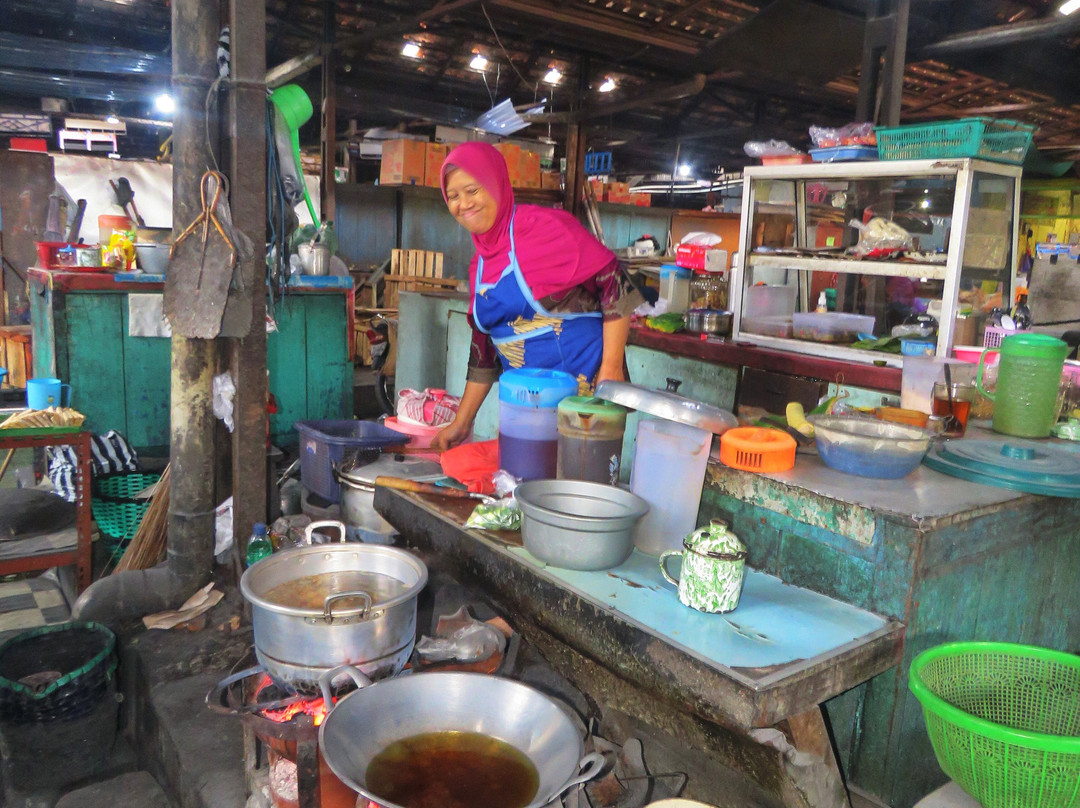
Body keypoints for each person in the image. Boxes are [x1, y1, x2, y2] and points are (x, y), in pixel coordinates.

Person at [430, 142, 642, 451]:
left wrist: (611, 370)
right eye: (453, 196)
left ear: (495, 184)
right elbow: (484, 351)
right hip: (529, 417)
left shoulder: (545, 229)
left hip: (586, 410)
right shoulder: (479, 266)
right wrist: (462, 423)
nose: (463, 204)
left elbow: (615, 281)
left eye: (472, 190)